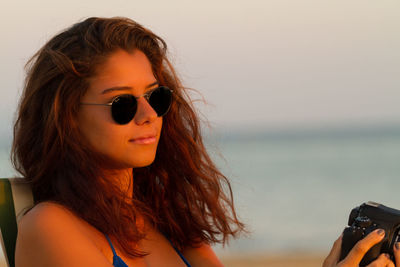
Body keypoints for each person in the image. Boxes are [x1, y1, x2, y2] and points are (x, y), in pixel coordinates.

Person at [12, 17, 245, 267]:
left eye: (155, 96)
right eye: (122, 103)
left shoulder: (168, 219)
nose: (149, 114)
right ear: (67, 117)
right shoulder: (50, 225)